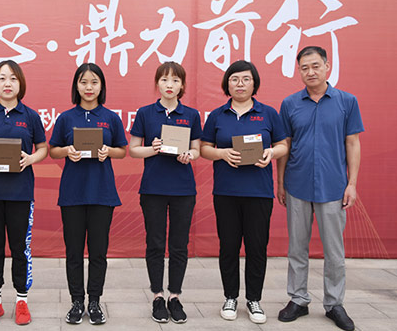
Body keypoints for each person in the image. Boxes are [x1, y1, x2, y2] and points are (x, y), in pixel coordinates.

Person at [277, 46, 363, 331]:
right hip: (297, 184)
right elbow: (285, 145)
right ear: (299, 71)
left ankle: (334, 303)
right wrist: (280, 182)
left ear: (327, 66)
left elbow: (352, 143)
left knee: (334, 250)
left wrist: (352, 184)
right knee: (297, 247)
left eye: (315, 66)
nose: (310, 72)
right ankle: (298, 299)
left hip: (333, 186)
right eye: (304, 67)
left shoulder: (347, 101)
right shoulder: (290, 104)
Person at [200, 60, 288, 325]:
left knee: (256, 247)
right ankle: (230, 297)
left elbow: (283, 145)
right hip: (226, 192)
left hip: (258, 193)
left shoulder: (268, 113)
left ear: (254, 83)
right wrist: (222, 153)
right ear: (227, 84)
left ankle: (254, 299)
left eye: (246, 79)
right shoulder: (218, 115)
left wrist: (271, 153)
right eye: (234, 79)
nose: (240, 84)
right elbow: (204, 148)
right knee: (228, 246)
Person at [0, 60, 47, 326]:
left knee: (19, 248)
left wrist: (31, 159)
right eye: (2, 78)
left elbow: (43, 148)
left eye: (13, 78)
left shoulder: (30, 116)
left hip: (20, 193)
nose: (7, 83)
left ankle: (22, 300)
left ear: (20, 83)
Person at [49, 63, 128, 325]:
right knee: (73, 252)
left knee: (98, 252)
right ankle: (76, 301)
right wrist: (67, 151)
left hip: (102, 193)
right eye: (83, 82)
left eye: (94, 82)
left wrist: (108, 151)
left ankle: (94, 301)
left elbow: (122, 150)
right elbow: (53, 150)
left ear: (101, 86)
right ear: (76, 86)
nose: (89, 87)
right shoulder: (66, 118)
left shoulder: (111, 118)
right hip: (73, 193)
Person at [129, 62, 202, 324]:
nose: (169, 85)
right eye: (164, 80)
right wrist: (154, 148)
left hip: (183, 189)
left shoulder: (191, 114)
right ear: (157, 83)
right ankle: (158, 296)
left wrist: (189, 154)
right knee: (156, 243)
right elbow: (133, 149)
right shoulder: (145, 113)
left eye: (175, 80)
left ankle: (175, 296)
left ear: (182, 85)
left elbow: (197, 149)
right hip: (153, 189)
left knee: (179, 244)